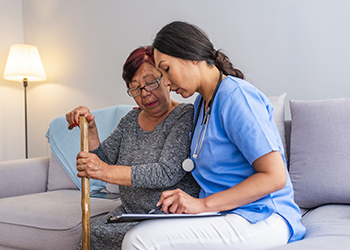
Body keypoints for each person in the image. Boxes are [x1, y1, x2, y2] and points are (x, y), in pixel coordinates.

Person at [122, 21, 306, 250]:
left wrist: (201, 205)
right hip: (226, 213)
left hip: (265, 216)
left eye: (166, 70)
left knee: (138, 239)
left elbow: (275, 176)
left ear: (192, 56)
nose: (166, 84)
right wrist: (149, 112)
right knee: (141, 230)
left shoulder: (237, 97)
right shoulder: (202, 104)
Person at [66, 46, 200, 250]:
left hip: (166, 216)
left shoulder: (184, 115)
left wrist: (104, 171)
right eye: (135, 88)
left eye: (150, 83)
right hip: (130, 213)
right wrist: (91, 128)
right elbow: (103, 160)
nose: (145, 94)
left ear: (166, 79)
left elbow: (165, 173)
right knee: (91, 238)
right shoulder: (130, 120)